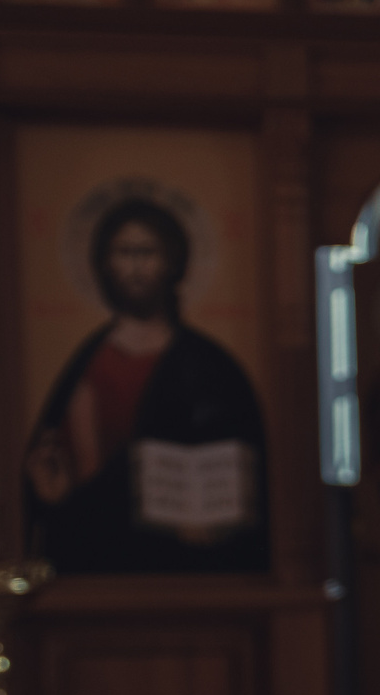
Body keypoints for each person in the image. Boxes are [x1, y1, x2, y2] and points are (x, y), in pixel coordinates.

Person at [24, 196, 269, 574]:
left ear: (173, 262)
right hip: (93, 566)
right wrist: (50, 493)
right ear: (104, 263)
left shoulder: (210, 364)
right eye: (124, 252)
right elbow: (53, 478)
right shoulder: (86, 364)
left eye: (147, 252)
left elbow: (245, 465)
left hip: (185, 569)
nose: (136, 265)